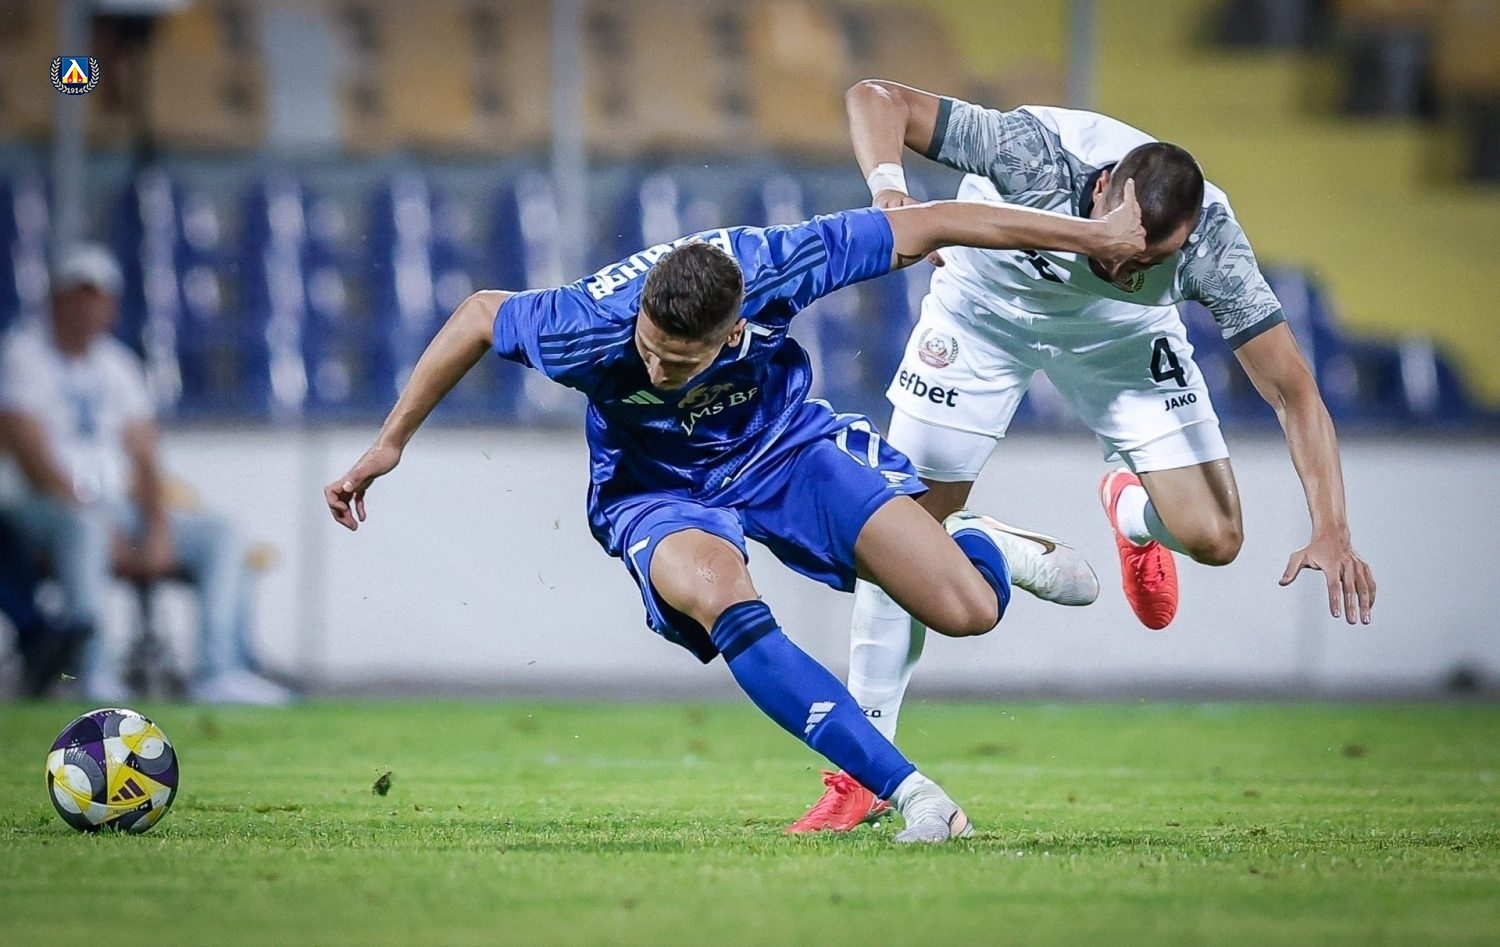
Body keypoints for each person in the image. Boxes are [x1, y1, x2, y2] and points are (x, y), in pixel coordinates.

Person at [324, 193, 1145, 843]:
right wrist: (389, 443)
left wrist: (1091, 235)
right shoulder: (584, 323)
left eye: (678, 361)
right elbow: (477, 313)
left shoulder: (776, 264)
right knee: (718, 590)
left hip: (784, 447)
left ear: (734, 330)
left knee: (966, 609)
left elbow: (936, 222)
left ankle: (974, 541)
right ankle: (912, 793)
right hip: (657, 488)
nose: (655, 367)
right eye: (649, 348)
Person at [781, 79, 1381, 833]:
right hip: (983, 313)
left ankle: (1131, 513)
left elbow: (1294, 392)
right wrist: (890, 191)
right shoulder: (1034, 154)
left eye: (1149, 262)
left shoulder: (1213, 248)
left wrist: (1333, 528)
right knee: (900, 531)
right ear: (1100, 190)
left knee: (1215, 536)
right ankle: (863, 773)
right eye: (1123, 248)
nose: (1127, 270)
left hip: (1117, 338)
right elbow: (877, 99)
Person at [0, 242, 292, 705]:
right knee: (83, 528)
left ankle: (220, 671)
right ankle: (92, 673)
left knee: (220, 532)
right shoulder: (23, 355)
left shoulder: (117, 364)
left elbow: (145, 456)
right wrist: (97, 516)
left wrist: (156, 525)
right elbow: (32, 454)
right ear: (55, 300)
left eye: (98, 298)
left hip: (116, 507)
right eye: (78, 296)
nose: (88, 309)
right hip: (44, 509)